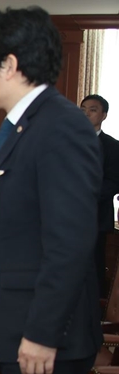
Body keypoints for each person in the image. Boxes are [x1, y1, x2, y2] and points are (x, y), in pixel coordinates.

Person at [0, 7, 102, 374]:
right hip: (10, 330)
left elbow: (70, 242)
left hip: (40, 339)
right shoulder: (21, 126)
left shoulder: (61, 126)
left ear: (9, 64)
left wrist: (44, 334)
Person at [81, 94, 119, 296]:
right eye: (83, 109)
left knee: (93, 268)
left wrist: (85, 195)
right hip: (65, 216)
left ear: (104, 115)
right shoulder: (68, 142)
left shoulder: (113, 146)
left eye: (92, 110)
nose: (86, 113)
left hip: (95, 217)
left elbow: (113, 182)